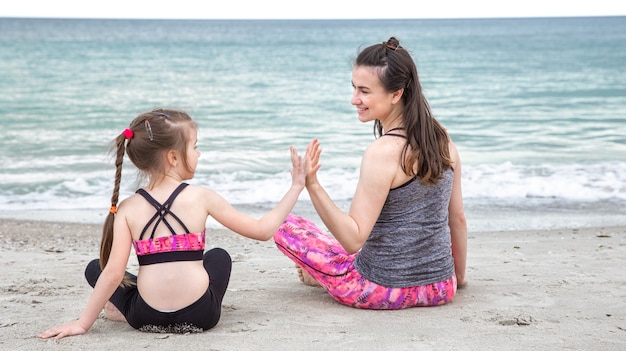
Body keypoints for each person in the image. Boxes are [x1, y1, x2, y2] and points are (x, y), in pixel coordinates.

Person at [39, 108, 305, 339]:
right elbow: (262, 231)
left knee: (97, 268)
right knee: (219, 256)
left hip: (145, 317)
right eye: (194, 146)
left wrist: (82, 323)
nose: (199, 154)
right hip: (201, 316)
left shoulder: (128, 208)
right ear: (173, 158)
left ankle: (118, 308)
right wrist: (296, 186)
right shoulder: (202, 196)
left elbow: (113, 273)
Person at [274, 37, 467, 310]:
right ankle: (320, 275)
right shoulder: (442, 138)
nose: (354, 99)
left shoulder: (382, 152)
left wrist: (312, 185)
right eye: (353, 88)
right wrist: (457, 277)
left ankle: (320, 277)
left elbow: (353, 239)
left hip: (379, 289)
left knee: (286, 225)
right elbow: (457, 218)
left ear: (396, 94)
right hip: (440, 287)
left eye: (364, 91)